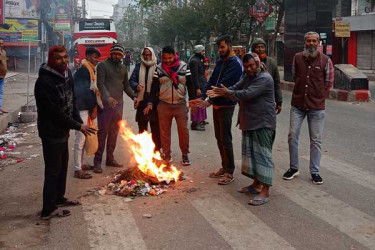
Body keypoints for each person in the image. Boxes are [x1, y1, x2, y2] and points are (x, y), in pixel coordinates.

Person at [34, 45, 97, 219]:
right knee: (53, 170)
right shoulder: (44, 81)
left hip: (63, 131)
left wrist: (79, 122)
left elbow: (73, 101)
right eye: (58, 58)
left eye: (65, 57)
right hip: (51, 131)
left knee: (62, 167)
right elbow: (55, 113)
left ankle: (59, 198)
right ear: (51, 59)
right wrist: (79, 126)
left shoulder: (67, 73)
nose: (63, 61)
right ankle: (48, 209)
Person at [208, 53, 276, 205]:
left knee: (263, 157)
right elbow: (236, 87)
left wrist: (228, 93)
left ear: (257, 63)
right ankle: (256, 184)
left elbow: (246, 94)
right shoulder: (248, 76)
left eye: (252, 65)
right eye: (246, 66)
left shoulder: (264, 78)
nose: (249, 69)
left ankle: (265, 191)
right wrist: (221, 92)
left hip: (263, 123)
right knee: (251, 155)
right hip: (250, 122)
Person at [283, 31, 334, 185]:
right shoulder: (298, 58)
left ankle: (315, 171)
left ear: (318, 43)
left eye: (314, 41)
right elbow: (294, 75)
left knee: (316, 140)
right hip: (297, 104)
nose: (311, 44)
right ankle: (293, 167)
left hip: (316, 107)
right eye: (308, 41)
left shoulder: (326, 60)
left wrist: (319, 97)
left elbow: (329, 83)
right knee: (292, 136)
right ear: (304, 42)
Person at [197, 35, 243, 185]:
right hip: (217, 105)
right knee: (219, 137)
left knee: (225, 138)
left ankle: (229, 171)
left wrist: (209, 101)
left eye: (223, 47)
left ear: (229, 45)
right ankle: (224, 167)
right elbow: (211, 81)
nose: (220, 50)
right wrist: (202, 96)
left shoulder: (235, 64)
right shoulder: (220, 61)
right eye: (219, 47)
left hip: (226, 105)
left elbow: (224, 87)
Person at [148, 45, 196, 165]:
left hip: (180, 105)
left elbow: (190, 85)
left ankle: (185, 155)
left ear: (175, 55)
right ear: (162, 57)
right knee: (164, 133)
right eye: (165, 58)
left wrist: (193, 101)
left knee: (183, 132)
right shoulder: (158, 69)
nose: (168, 60)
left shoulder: (184, 67)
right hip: (164, 105)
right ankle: (167, 155)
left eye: (170, 58)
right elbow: (154, 88)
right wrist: (150, 102)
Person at [94, 43, 138, 173]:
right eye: (115, 54)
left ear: (122, 55)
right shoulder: (102, 65)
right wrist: (108, 98)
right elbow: (100, 83)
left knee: (114, 133)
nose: (117, 56)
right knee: (102, 133)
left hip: (119, 106)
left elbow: (126, 86)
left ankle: (110, 159)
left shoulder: (123, 68)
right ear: (111, 53)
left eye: (119, 54)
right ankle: (97, 162)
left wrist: (134, 96)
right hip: (106, 106)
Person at [73, 47, 102, 179]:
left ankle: (82, 164)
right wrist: (92, 108)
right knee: (80, 139)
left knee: (85, 138)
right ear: (89, 56)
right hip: (81, 109)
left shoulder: (91, 70)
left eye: (97, 58)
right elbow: (83, 92)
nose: (96, 60)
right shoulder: (83, 71)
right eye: (95, 57)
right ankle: (77, 169)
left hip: (87, 108)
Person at [129, 47, 161, 151]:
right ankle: (143, 150)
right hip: (142, 100)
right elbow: (132, 80)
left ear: (152, 55)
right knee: (142, 126)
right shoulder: (139, 66)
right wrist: (136, 85)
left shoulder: (158, 66)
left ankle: (156, 149)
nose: (147, 57)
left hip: (155, 100)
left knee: (155, 127)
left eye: (148, 54)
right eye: (145, 55)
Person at [251, 38, 283, 114]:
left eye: (262, 47)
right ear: (253, 49)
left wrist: (279, 101)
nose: (260, 49)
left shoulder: (272, 62)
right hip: (252, 100)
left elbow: (276, 83)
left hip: (268, 101)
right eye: (257, 47)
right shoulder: (249, 62)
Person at [189, 45, 207, 131]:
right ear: (199, 52)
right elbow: (194, 76)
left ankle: (201, 120)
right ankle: (195, 124)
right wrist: (197, 88)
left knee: (201, 103)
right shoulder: (194, 61)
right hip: (197, 87)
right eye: (203, 51)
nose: (204, 53)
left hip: (201, 85)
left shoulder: (199, 60)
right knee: (196, 104)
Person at [0, 39, 8, 115]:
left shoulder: (4, 52)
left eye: (2, 43)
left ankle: (0, 107)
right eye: (0, 43)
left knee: (1, 92)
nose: (1, 45)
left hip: (2, 75)